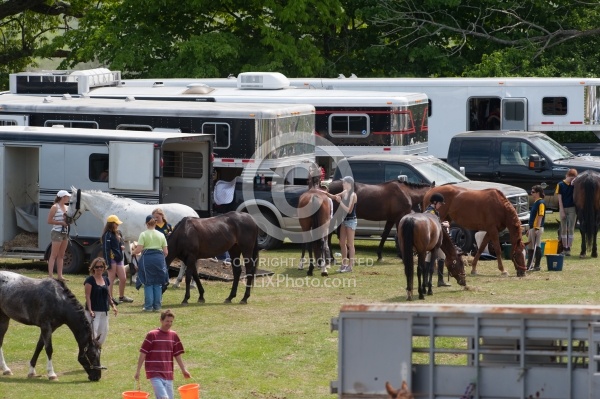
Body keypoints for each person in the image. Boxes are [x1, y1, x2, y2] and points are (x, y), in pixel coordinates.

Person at [135, 309, 191, 399]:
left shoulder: (174, 335)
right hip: (155, 372)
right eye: (167, 321)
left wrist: (184, 370)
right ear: (161, 320)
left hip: (168, 373)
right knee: (164, 397)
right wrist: (138, 371)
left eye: (171, 321)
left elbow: (177, 355)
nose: (169, 323)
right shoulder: (152, 335)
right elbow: (143, 353)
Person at [133, 215, 169, 312]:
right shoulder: (161, 235)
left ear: (146, 223)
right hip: (159, 259)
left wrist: (133, 252)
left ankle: (148, 306)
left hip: (147, 259)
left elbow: (139, 249)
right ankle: (157, 306)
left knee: (148, 283)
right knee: (158, 283)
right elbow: (166, 252)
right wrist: (160, 258)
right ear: (156, 223)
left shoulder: (143, 234)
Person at [84, 257, 117, 347]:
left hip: (104, 311)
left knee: (103, 333)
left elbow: (108, 294)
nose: (99, 269)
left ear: (104, 267)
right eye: (97, 267)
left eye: (101, 267)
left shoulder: (106, 279)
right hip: (94, 312)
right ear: (93, 268)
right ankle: (90, 350)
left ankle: (97, 350)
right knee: (93, 334)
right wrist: (90, 310)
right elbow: (87, 296)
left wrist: (113, 305)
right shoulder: (89, 280)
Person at [101, 215, 134, 304]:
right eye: (116, 224)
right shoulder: (107, 235)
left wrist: (121, 246)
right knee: (111, 279)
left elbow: (120, 243)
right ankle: (110, 298)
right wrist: (107, 262)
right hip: (111, 259)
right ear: (111, 224)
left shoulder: (118, 233)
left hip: (119, 259)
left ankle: (121, 297)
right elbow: (105, 249)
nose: (118, 225)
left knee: (123, 278)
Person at [328, 176, 357, 273]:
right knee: (342, 243)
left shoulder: (353, 195)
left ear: (349, 184)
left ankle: (350, 266)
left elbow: (349, 211)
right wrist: (323, 192)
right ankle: (344, 264)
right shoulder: (344, 192)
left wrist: (340, 202)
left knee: (350, 244)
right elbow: (334, 196)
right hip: (344, 221)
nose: (342, 184)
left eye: (344, 182)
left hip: (351, 221)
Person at [424, 193, 452, 286]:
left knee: (441, 256)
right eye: (440, 203)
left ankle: (439, 281)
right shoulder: (430, 212)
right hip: (432, 240)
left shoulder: (433, 211)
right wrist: (444, 225)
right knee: (430, 258)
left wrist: (442, 223)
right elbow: (433, 225)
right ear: (435, 202)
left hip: (435, 240)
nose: (440, 205)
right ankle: (428, 281)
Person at [47, 189, 71, 281]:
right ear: (62, 197)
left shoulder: (67, 207)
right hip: (57, 232)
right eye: (67, 197)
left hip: (65, 232)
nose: (68, 198)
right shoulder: (55, 207)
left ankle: (60, 276)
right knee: (54, 254)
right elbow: (49, 220)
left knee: (61, 255)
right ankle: (50, 276)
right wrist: (61, 223)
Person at [556, 169, 578, 256]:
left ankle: (568, 247)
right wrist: (561, 210)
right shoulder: (560, 184)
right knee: (564, 228)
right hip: (564, 207)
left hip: (572, 208)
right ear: (567, 176)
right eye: (571, 177)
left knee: (571, 228)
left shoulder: (574, 185)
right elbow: (559, 199)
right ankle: (564, 247)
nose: (572, 179)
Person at [526, 185, 546, 272]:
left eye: (533, 192)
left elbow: (540, 216)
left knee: (536, 246)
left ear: (538, 193)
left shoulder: (540, 202)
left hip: (536, 228)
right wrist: (529, 229)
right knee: (530, 247)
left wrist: (537, 228)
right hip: (532, 228)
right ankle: (529, 264)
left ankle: (537, 265)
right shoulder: (535, 202)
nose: (531, 193)